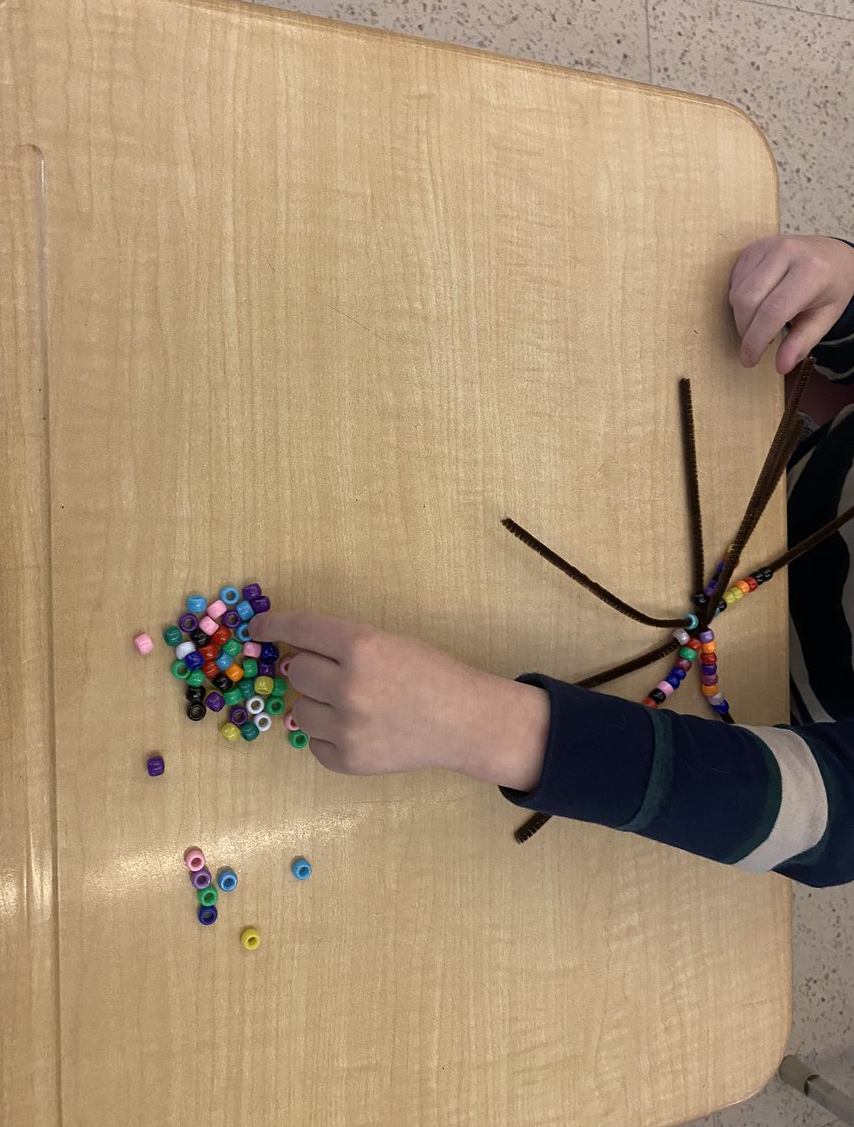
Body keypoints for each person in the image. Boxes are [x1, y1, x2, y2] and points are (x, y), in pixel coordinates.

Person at [252, 235, 854, 888]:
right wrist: (841, 287)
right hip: (765, 475)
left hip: (762, 731)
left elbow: (832, 819)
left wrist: (487, 726)